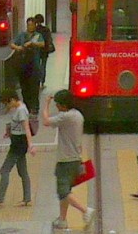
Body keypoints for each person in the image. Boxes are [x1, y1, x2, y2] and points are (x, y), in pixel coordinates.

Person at [42, 90, 95, 230]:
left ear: (64, 105)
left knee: (63, 192)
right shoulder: (78, 115)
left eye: (58, 105)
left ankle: (85, 211)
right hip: (75, 158)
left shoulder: (66, 117)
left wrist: (46, 104)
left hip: (65, 160)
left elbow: (46, 121)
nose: (57, 107)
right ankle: (62, 220)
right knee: (65, 192)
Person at [0, 89, 35, 206]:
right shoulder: (17, 109)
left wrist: (31, 145)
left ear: (13, 100)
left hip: (18, 144)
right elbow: (15, 124)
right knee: (22, 171)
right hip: (17, 142)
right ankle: (27, 198)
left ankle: (0, 199)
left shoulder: (21, 110)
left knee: (4, 170)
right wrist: (9, 132)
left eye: (7, 103)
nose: (7, 106)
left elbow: (26, 128)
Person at [11, 18, 45, 117]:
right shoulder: (22, 35)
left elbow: (42, 44)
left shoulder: (38, 35)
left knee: (34, 88)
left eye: (32, 25)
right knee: (24, 88)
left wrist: (32, 43)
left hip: (34, 66)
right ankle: (26, 106)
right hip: (23, 65)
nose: (30, 27)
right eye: (29, 25)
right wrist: (18, 48)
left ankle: (34, 108)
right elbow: (12, 44)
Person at [34, 14, 54, 88]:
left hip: (36, 50)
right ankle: (42, 83)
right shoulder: (46, 29)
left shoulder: (34, 30)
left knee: (37, 66)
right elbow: (49, 39)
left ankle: (37, 81)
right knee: (43, 66)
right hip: (45, 50)